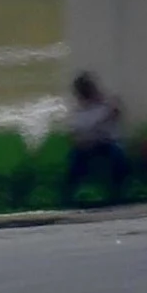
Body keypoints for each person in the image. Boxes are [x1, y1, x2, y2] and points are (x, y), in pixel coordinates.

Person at [62, 73, 128, 205]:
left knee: (118, 155)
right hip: (86, 146)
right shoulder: (77, 112)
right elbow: (75, 134)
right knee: (75, 157)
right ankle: (72, 191)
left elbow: (116, 114)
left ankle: (119, 189)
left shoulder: (107, 105)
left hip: (108, 143)